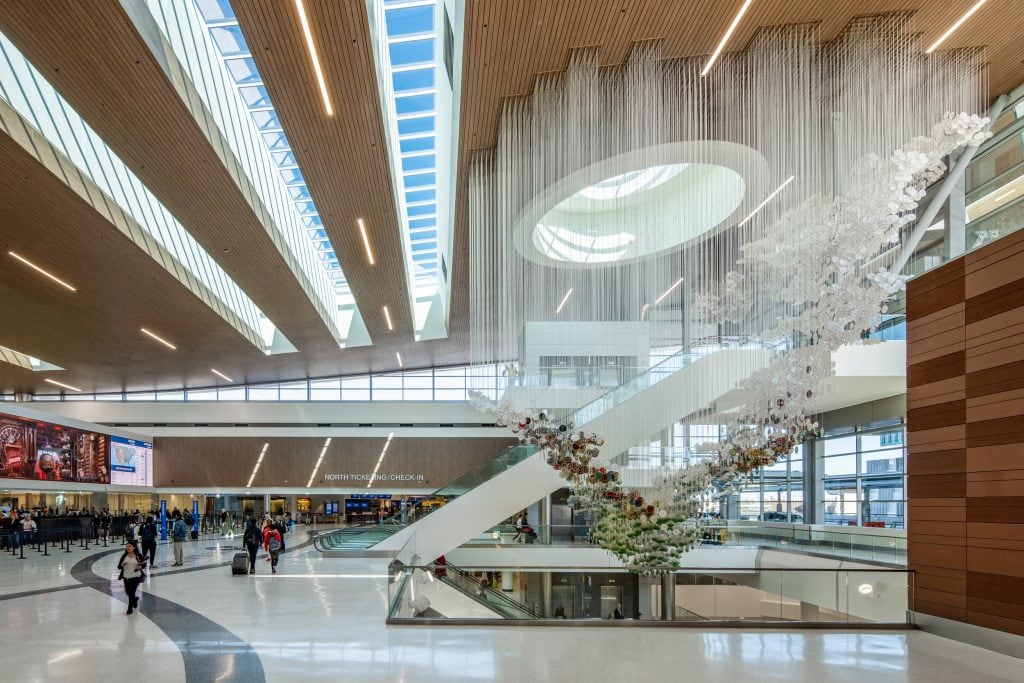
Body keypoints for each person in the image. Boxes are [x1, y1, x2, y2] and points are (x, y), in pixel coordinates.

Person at [117, 542, 145, 615]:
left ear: (134, 547)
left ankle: (130, 608)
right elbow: (119, 566)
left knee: (132, 592)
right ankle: (135, 600)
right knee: (128, 592)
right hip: (126, 577)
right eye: (127, 546)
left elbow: (144, 563)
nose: (128, 548)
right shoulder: (124, 556)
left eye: (130, 546)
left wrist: (140, 567)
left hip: (136, 577)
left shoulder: (138, 555)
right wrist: (122, 564)